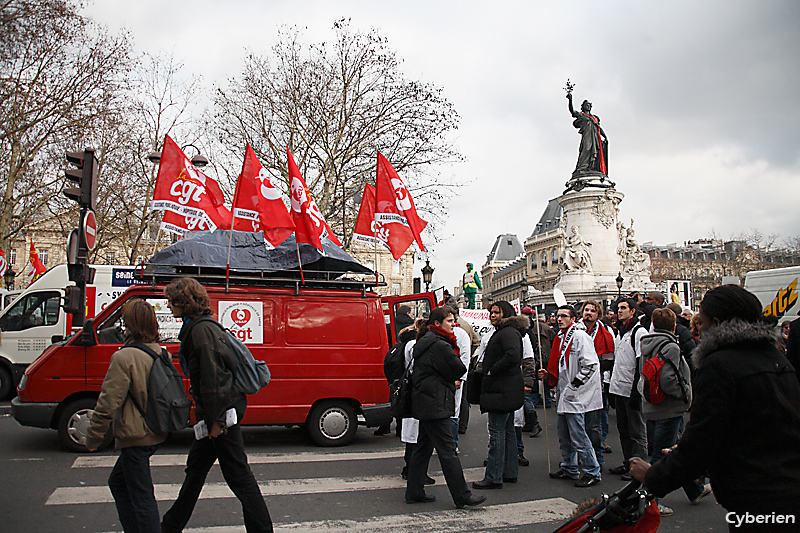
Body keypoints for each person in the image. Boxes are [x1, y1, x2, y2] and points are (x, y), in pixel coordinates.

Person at [630, 285, 800, 532]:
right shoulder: (776, 358)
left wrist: (653, 476)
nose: (699, 327)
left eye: (703, 320)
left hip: (754, 495)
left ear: (717, 322)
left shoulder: (719, 365)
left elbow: (702, 440)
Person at [161, 277, 273, 533]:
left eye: (171, 301)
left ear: (183, 302)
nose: (168, 306)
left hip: (220, 413)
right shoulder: (199, 327)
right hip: (216, 412)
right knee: (196, 471)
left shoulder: (200, 330)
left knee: (238, 476)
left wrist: (216, 422)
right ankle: (170, 526)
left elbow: (213, 380)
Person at [85, 299, 168, 533]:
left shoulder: (124, 357)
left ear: (130, 325)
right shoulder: (159, 353)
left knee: (141, 496)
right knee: (119, 483)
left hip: (135, 433)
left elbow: (108, 402)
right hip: (154, 429)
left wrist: (93, 437)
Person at [405, 307, 486, 509]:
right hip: (436, 402)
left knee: (422, 448)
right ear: (438, 323)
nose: (454, 324)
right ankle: (462, 495)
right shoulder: (440, 345)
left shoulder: (426, 341)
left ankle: (414, 491)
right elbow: (458, 368)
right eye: (450, 321)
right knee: (448, 451)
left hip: (426, 400)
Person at [639, 308, 709, 517]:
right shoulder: (671, 346)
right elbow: (670, 379)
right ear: (673, 326)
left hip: (651, 404)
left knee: (673, 450)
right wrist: (686, 395)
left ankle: (693, 490)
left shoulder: (646, 343)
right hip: (668, 406)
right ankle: (651, 501)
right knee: (661, 454)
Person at [541, 304, 603, 487]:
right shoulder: (561, 337)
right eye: (558, 316)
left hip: (576, 395)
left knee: (578, 435)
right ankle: (569, 466)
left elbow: (591, 365)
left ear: (573, 319)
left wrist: (575, 385)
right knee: (564, 433)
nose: (559, 319)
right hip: (564, 393)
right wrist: (550, 375)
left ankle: (592, 470)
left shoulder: (580, 336)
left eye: (564, 316)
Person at [473, 301, 526, 490]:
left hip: (501, 390)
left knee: (497, 432)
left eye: (496, 312)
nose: (492, 315)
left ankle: (494, 476)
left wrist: (492, 371)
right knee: (508, 431)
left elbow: (513, 356)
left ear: (506, 313)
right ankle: (509, 472)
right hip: (505, 389)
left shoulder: (508, 332)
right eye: (491, 313)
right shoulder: (506, 332)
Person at [608, 298, 648, 479]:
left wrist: (635, 390)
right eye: (618, 308)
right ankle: (628, 463)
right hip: (619, 387)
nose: (619, 311)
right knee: (623, 430)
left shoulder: (639, 332)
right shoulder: (621, 332)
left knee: (636, 431)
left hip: (631, 388)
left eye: (624, 308)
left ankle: (639, 466)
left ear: (633, 311)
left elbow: (641, 362)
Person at [578, 300, 615, 466]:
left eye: (593, 311)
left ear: (597, 314)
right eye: (586, 310)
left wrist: (594, 367)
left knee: (596, 421)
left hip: (596, 382)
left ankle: (597, 455)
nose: (589, 313)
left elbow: (610, 358)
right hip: (577, 381)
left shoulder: (605, 331)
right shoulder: (575, 330)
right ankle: (581, 456)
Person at [567, 92, 608, 175]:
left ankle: (592, 167)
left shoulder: (595, 118)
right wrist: (570, 100)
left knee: (595, 152)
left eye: (589, 105)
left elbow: (599, 128)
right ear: (583, 107)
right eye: (586, 105)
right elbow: (572, 111)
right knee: (586, 149)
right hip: (587, 136)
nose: (588, 106)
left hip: (595, 138)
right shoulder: (582, 115)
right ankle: (582, 167)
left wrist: (605, 136)